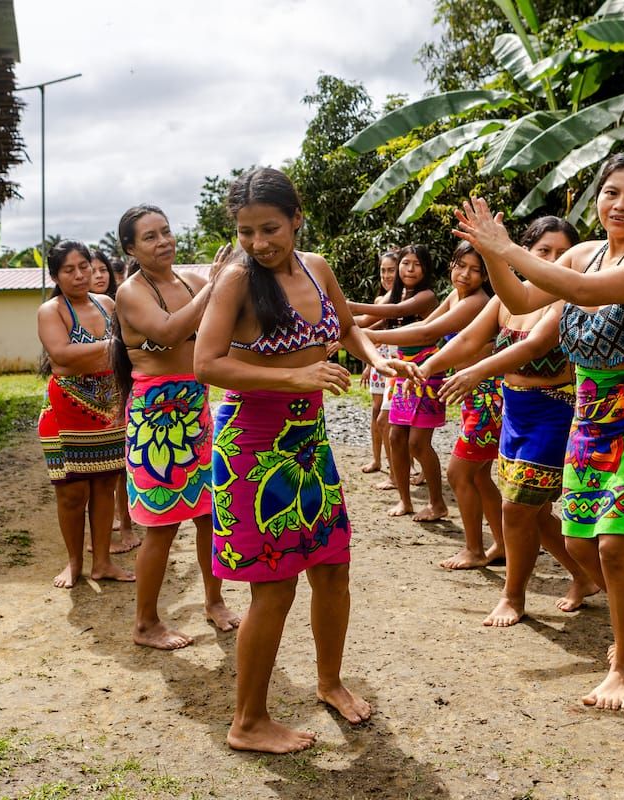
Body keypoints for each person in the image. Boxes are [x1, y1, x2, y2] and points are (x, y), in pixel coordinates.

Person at [454, 151, 624, 711]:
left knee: (613, 545)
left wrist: (508, 248)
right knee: (576, 539)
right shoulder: (585, 254)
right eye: (612, 192)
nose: (621, 204)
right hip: (592, 414)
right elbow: (519, 300)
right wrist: (496, 257)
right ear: (597, 195)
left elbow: (584, 294)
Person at [194, 167, 411, 754]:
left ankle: (330, 682)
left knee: (332, 567)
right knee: (274, 585)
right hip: (251, 444)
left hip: (307, 442)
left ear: (296, 218)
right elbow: (207, 364)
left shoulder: (317, 267)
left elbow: (345, 327)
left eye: (270, 228)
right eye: (246, 232)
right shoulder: (236, 281)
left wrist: (376, 358)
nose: (259, 243)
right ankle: (247, 722)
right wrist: (295, 375)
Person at [417, 217, 600, 615]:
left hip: (554, 410)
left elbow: (534, 346)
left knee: (516, 508)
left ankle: (512, 597)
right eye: (543, 252)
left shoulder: (569, 299)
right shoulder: (507, 299)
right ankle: (586, 577)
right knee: (533, 513)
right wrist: (428, 367)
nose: (553, 260)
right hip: (514, 411)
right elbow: (468, 339)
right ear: (524, 254)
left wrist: (479, 370)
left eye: (561, 253)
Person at [113, 205, 240, 650]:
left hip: (196, 410)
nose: (163, 241)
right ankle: (145, 623)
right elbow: (167, 333)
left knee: (209, 514)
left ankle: (214, 601)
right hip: (156, 421)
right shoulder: (131, 292)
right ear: (130, 248)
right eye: (149, 237)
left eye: (166, 232)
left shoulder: (191, 281)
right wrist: (215, 284)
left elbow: (232, 313)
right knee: (161, 525)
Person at [367, 241, 500, 561]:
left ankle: (475, 549)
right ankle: (502, 545)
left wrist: (370, 335)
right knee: (479, 474)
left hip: (488, 392)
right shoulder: (458, 296)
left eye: (475, 270)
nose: (465, 274)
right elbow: (423, 326)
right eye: (460, 265)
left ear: (485, 276)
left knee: (461, 473)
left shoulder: (478, 301)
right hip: (471, 393)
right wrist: (364, 332)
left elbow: (427, 335)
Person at [36, 241, 136, 589]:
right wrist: (112, 350)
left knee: (106, 484)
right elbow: (61, 357)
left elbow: (109, 357)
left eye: (85, 267)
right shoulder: (51, 311)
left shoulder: (107, 303)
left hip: (109, 411)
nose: (80, 275)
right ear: (55, 275)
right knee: (72, 492)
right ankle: (74, 562)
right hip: (66, 414)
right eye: (69, 269)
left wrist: (92, 356)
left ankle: (103, 562)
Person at [348, 245, 444, 519]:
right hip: (400, 372)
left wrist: (347, 305)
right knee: (394, 434)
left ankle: (437, 502)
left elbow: (395, 311)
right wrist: (333, 320)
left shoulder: (426, 297)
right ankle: (405, 500)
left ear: (425, 269)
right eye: (405, 263)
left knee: (417, 443)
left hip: (426, 372)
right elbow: (369, 319)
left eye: (416, 264)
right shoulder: (397, 294)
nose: (409, 269)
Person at [89, 247, 140, 554]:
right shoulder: (69, 308)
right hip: (86, 398)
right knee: (97, 472)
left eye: (102, 270)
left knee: (122, 466)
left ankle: (127, 524)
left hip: (117, 390)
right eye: (90, 270)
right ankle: (104, 527)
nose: (96, 276)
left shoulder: (118, 304)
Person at [356, 251, 399, 475]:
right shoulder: (380, 299)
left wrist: (346, 335)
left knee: (390, 417)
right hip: (379, 357)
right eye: (383, 270)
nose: (386, 275)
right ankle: (377, 460)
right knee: (376, 412)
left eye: (391, 269)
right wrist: (370, 364)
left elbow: (371, 325)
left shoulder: (400, 298)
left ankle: (399, 466)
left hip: (394, 359)